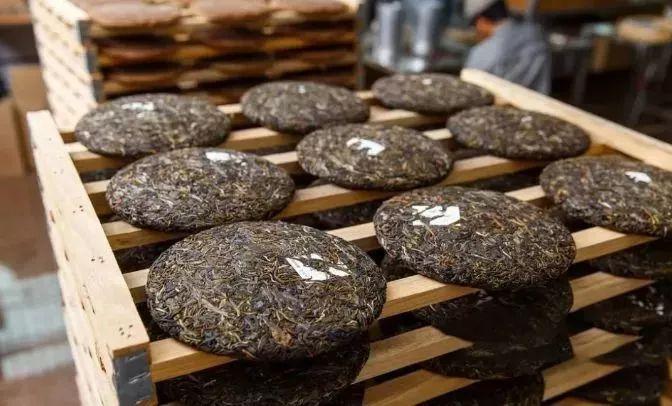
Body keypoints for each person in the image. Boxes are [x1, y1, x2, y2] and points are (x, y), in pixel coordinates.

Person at [464, 0, 552, 94]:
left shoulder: (481, 53)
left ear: (481, 20)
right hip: (539, 101)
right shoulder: (537, 34)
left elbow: (469, 90)